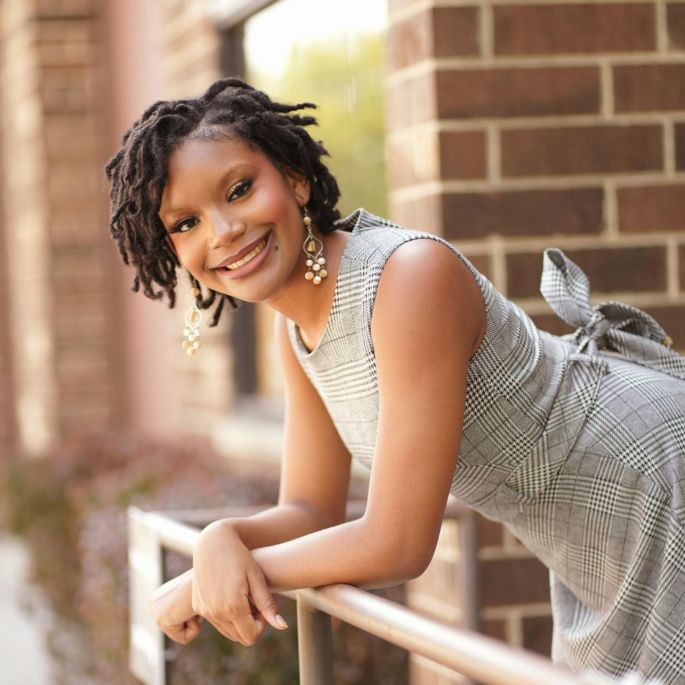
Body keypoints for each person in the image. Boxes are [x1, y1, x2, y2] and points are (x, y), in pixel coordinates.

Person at [105, 78, 685, 683]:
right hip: (586, 532)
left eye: (240, 189)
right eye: (186, 223)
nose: (221, 231)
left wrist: (211, 584)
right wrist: (221, 539)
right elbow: (310, 511)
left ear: (295, 180)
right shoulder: (296, 331)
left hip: (654, 476)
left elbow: (398, 543)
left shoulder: (407, 278)